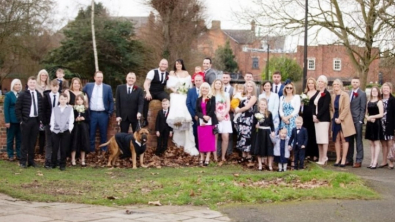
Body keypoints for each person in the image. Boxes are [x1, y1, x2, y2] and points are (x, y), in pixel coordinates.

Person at [166, 59, 198, 156]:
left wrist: (184, 91)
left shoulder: (186, 73)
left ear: (182, 64)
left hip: (184, 94)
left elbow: (189, 85)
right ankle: (178, 139)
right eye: (176, 64)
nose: (178, 65)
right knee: (177, 114)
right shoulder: (172, 73)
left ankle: (187, 142)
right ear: (175, 65)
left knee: (186, 115)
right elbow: (169, 85)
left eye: (180, 64)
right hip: (176, 94)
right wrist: (175, 91)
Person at [15, 76, 43, 168]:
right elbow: (17, 108)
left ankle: (31, 161)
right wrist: (21, 120)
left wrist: (40, 120)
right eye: (31, 82)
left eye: (34, 83)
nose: (32, 84)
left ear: (36, 84)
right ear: (28, 83)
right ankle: (23, 162)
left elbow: (41, 108)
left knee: (33, 142)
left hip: (35, 121)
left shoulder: (38, 95)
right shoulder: (23, 94)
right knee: (24, 142)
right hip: (26, 121)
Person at [83, 71, 114, 153]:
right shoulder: (88, 86)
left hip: (103, 114)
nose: (100, 79)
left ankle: (103, 150)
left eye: (101, 77)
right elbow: (80, 94)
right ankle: (91, 150)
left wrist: (110, 112)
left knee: (103, 134)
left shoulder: (107, 87)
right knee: (91, 133)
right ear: (94, 78)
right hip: (92, 114)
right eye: (98, 77)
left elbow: (111, 101)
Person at [331, 79, 356, 167]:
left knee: (344, 138)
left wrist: (340, 118)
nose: (336, 86)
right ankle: (338, 158)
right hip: (335, 118)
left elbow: (346, 108)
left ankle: (344, 159)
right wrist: (333, 117)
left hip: (344, 119)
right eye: (334, 84)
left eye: (337, 84)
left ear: (340, 85)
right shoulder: (333, 96)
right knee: (336, 138)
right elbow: (331, 108)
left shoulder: (345, 95)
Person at [346, 77, 367, 168]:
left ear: (359, 83)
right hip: (349, 120)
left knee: (358, 141)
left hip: (357, 120)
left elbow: (363, 108)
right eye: (353, 82)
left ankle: (359, 160)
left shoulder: (362, 94)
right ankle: (349, 159)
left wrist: (360, 120)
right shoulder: (348, 93)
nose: (354, 83)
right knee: (350, 141)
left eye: (356, 82)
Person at [195, 82, 218, 166]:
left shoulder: (212, 98)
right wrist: (203, 117)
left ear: (209, 89)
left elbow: (212, 109)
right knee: (201, 140)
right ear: (201, 89)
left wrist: (207, 117)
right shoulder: (198, 99)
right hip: (201, 122)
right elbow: (197, 111)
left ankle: (207, 158)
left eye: (206, 88)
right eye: (203, 88)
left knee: (209, 140)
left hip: (210, 121)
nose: (204, 89)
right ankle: (202, 157)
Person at [50, 93, 74, 171]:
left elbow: (71, 119)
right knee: (55, 147)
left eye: (64, 99)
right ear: (59, 100)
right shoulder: (55, 108)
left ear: (67, 100)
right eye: (61, 99)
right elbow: (52, 119)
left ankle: (62, 164)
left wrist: (70, 129)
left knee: (64, 148)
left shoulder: (70, 108)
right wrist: (52, 128)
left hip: (65, 130)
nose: (63, 100)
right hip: (56, 130)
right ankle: (53, 163)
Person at [235, 81, 257, 163]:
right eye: (248, 86)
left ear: (253, 88)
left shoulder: (254, 97)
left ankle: (249, 155)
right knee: (241, 136)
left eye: (251, 86)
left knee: (248, 136)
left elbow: (247, 107)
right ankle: (243, 155)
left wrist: (238, 111)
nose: (249, 88)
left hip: (249, 119)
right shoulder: (242, 96)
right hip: (241, 118)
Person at [143, 59, 170, 126]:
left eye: (165, 64)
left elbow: (170, 85)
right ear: (159, 64)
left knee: (168, 100)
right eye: (162, 64)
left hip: (160, 92)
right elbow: (146, 83)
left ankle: (167, 118)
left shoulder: (168, 74)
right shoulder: (152, 72)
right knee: (145, 100)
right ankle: (144, 120)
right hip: (151, 91)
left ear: (167, 66)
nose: (163, 65)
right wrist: (147, 92)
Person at [251, 98, 275, 171]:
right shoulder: (256, 113)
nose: (263, 106)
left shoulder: (269, 113)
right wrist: (256, 126)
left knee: (269, 148)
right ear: (259, 105)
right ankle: (260, 164)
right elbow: (254, 124)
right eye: (261, 104)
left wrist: (273, 131)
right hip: (260, 132)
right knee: (260, 148)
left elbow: (271, 124)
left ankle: (270, 165)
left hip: (267, 132)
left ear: (266, 105)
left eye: (264, 104)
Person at [211, 79, 232, 163]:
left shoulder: (226, 94)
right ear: (214, 84)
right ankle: (215, 156)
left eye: (219, 83)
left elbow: (228, 106)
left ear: (221, 85)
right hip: (215, 117)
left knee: (225, 137)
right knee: (215, 137)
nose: (218, 85)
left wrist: (223, 115)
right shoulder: (211, 94)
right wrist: (216, 115)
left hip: (225, 117)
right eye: (216, 83)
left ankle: (223, 156)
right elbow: (210, 107)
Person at [313, 75, 331, 165]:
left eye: (322, 82)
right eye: (319, 81)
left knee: (324, 139)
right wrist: (313, 115)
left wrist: (317, 116)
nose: (320, 83)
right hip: (316, 119)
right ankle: (320, 158)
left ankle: (325, 157)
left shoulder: (327, 94)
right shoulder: (317, 93)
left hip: (323, 119)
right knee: (319, 139)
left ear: (325, 83)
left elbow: (324, 107)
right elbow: (313, 104)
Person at [42, 80, 60, 168]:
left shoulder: (61, 96)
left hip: (59, 123)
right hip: (49, 122)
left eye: (56, 86)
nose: (55, 88)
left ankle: (57, 160)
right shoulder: (46, 96)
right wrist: (45, 121)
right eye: (53, 86)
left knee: (58, 142)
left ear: (58, 87)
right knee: (48, 142)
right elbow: (43, 110)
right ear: (51, 87)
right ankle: (48, 161)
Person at [365, 86, 384, 169]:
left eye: (376, 91)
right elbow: (365, 113)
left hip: (377, 124)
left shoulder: (379, 102)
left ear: (378, 92)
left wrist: (373, 117)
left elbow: (381, 114)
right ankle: (372, 161)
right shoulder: (368, 101)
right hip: (370, 123)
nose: (374, 92)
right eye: (373, 91)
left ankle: (375, 161)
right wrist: (368, 118)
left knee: (376, 143)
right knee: (371, 143)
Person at [3, 79, 22, 161]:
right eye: (16, 84)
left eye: (19, 84)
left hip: (20, 121)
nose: (17, 86)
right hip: (11, 121)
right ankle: (10, 155)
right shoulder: (9, 95)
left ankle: (19, 154)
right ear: (13, 85)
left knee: (19, 139)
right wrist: (7, 121)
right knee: (10, 139)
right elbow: (6, 109)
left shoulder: (21, 94)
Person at [302, 77, 319, 161]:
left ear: (314, 84)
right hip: (305, 116)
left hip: (314, 116)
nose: (311, 84)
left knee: (314, 135)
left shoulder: (318, 93)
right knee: (306, 134)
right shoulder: (305, 93)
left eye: (312, 83)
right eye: (309, 83)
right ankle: (307, 153)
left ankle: (315, 154)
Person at [71, 94, 89, 167]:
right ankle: (73, 159)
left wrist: (83, 118)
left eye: (81, 99)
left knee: (83, 143)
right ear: (76, 101)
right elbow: (71, 118)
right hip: (75, 128)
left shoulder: (86, 109)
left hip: (83, 128)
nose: (79, 101)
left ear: (83, 101)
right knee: (74, 143)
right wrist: (76, 119)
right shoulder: (73, 109)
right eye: (78, 100)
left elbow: (88, 119)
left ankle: (83, 160)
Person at [186, 75, 204, 148]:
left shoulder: (206, 90)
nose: (198, 82)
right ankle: (197, 148)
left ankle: (204, 148)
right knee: (195, 133)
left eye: (199, 80)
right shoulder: (190, 91)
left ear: (202, 81)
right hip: (194, 116)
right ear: (194, 81)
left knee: (204, 133)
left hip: (204, 116)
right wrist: (194, 115)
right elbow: (188, 103)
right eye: (196, 81)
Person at [380, 82, 395, 168]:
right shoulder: (380, 99)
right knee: (383, 143)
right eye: (384, 88)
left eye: (387, 88)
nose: (385, 90)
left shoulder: (393, 100)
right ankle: (384, 160)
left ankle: (391, 161)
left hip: (390, 124)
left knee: (390, 143)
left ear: (390, 90)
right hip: (381, 124)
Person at [36, 69, 51, 155]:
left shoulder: (49, 86)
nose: (44, 77)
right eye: (42, 75)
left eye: (45, 75)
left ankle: (43, 150)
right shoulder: (36, 86)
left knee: (44, 132)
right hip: (37, 110)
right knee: (37, 132)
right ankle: (38, 150)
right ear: (39, 76)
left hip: (45, 111)